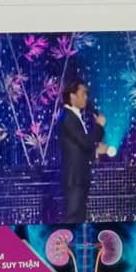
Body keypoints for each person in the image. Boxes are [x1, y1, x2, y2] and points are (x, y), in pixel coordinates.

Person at [59, 79, 106, 222]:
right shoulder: (68, 118)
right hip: (74, 179)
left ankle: (77, 236)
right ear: (72, 96)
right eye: (83, 94)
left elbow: (80, 148)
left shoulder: (74, 116)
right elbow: (85, 142)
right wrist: (99, 126)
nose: (86, 97)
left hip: (79, 177)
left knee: (79, 217)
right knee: (73, 217)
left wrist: (96, 151)